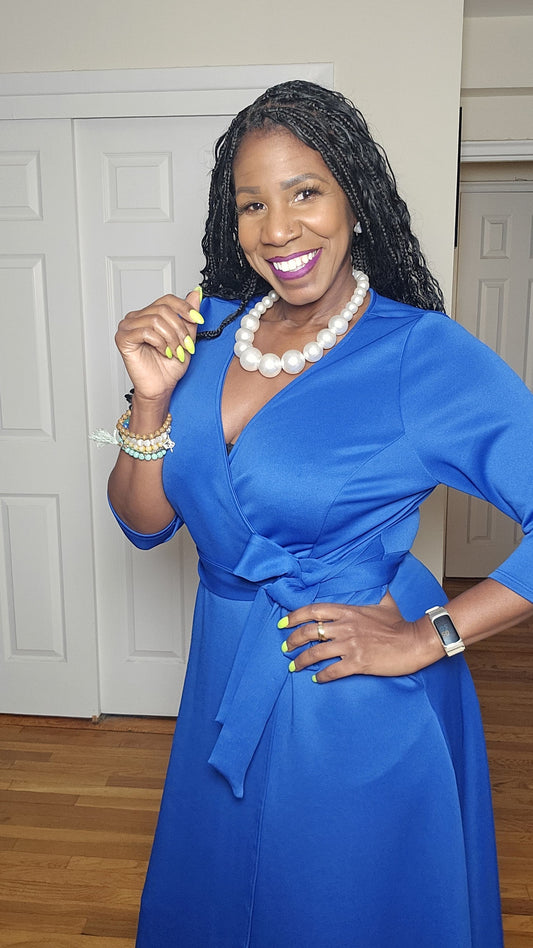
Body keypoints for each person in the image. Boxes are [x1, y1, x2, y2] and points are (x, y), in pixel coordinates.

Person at [106, 80, 533, 947]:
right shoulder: (205, 335)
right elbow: (144, 522)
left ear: (356, 200)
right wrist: (149, 405)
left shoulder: (421, 353)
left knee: (335, 910)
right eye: (251, 203)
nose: (277, 229)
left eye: (305, 191)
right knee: (222, 904)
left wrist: (428, 636)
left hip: (352, 692)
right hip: (225, 671)